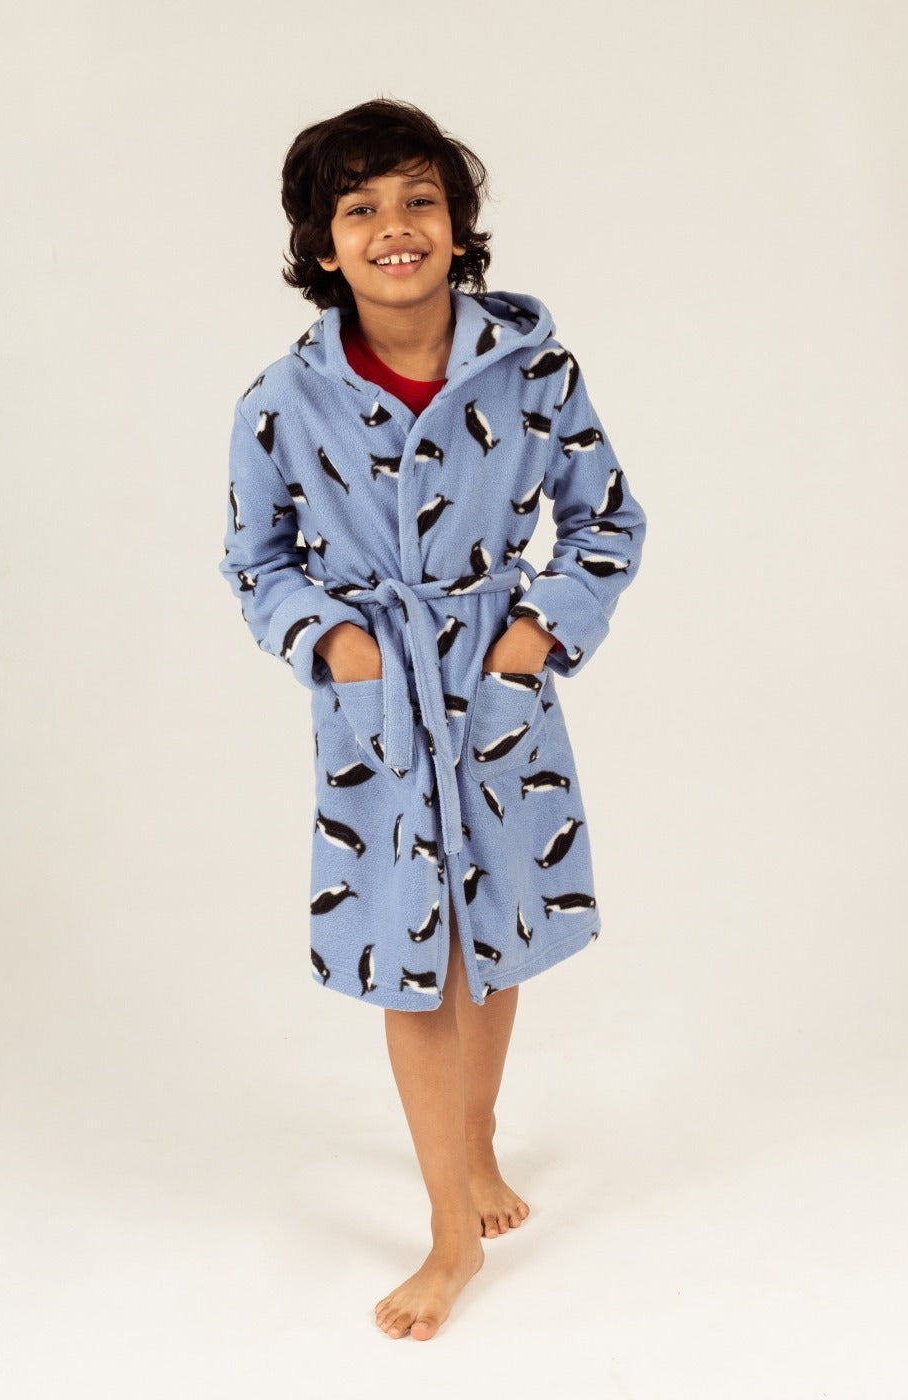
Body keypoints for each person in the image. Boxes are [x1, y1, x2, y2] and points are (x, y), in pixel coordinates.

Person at [219, 97, 647, 1341]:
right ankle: (448, 1230)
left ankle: (475, 1133)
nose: (393, 226)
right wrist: (338, 644)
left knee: (496, 920)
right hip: (378, 703)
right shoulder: (280, 398)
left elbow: (608, 517)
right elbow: (254, 558)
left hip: (496, 681)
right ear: (322, 244)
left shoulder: (535, 370)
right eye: (359, 208)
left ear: (458, 227)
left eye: (419, 199)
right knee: (416, 947)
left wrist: (534, 635)